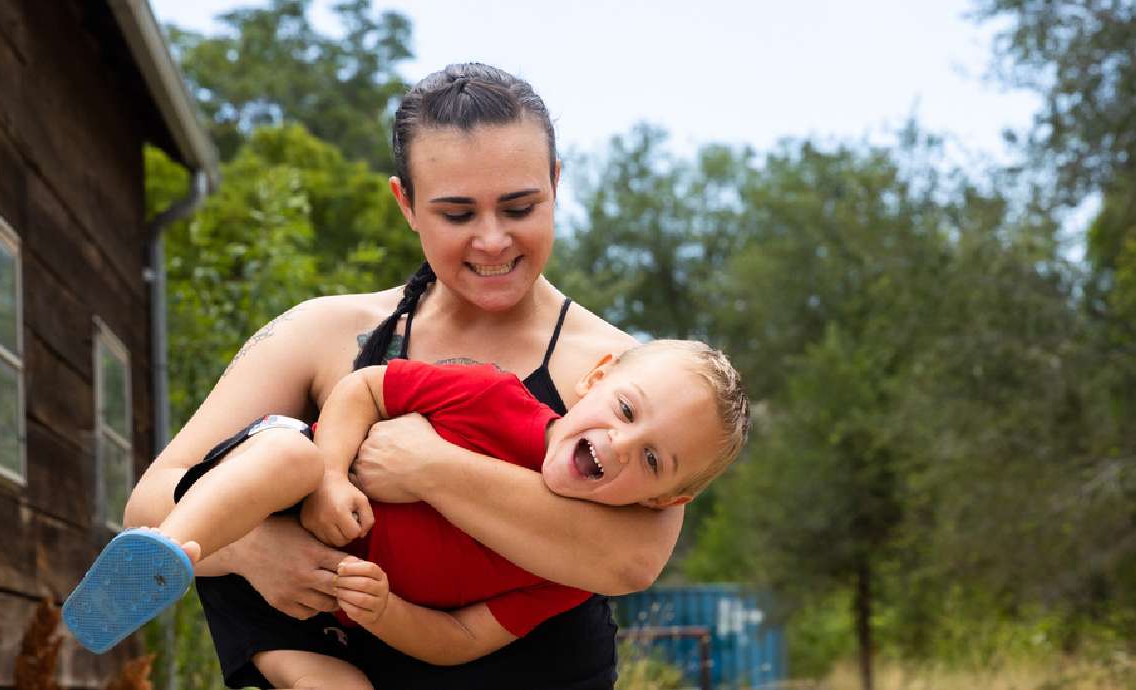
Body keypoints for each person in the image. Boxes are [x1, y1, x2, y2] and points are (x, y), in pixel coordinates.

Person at [121, 62, 698, 690]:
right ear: (407, 204)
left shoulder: (619, 376)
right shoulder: (321, 333)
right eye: (456, 214)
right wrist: (257, 550)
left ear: (555, 185)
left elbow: (632, 559)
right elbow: (150, 504)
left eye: (520, 206)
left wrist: (425, 465)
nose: (492, 239)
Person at [65, 340, 750, 686]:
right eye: (626, 411)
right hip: (281, 496)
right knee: (291, 458)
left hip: (319, 613)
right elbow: (366, 387)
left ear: (666, 502)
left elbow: (459, 638)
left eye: (654, 461)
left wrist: (383, 610)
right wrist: (331, 477)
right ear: (596, 378)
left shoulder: (568, 564)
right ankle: (172, 553)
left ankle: (178, 555)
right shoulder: (491, 396)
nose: (622, 444)